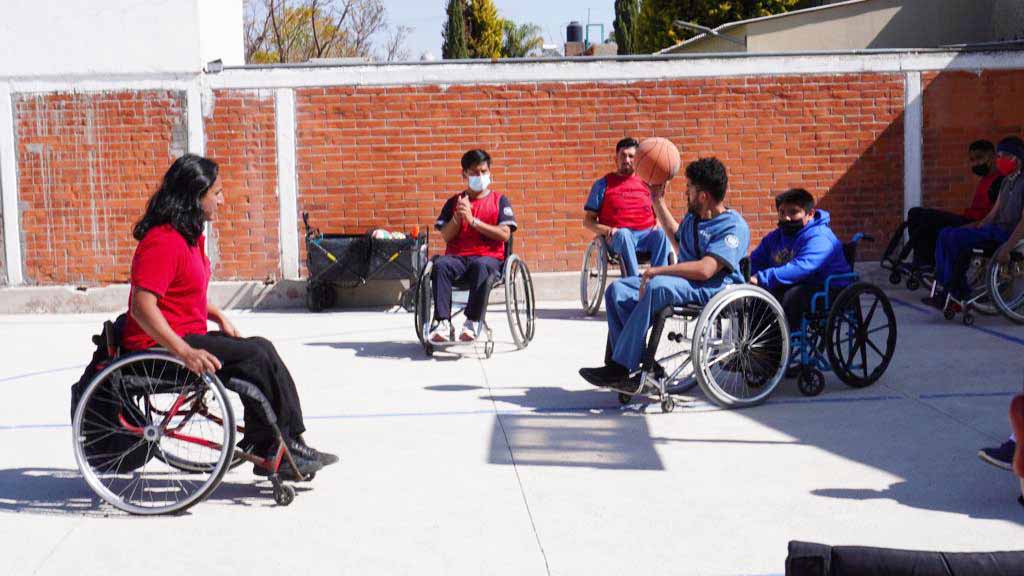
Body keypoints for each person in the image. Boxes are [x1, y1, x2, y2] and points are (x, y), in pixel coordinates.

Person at [121, 154, 337, 479]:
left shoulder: (188, 237)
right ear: (195, 196)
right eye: (217, 193)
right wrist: (184, 352)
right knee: (254, 356)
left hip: (185, 334)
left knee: (261, 348)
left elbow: (181, 293)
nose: (222, 200)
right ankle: (276, 446)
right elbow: (142, 306)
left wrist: (216, 315)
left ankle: (286, 443)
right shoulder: (163, 242)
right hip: (159, 347)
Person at [579, 157, 749, 391]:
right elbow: (678, 241)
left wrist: (657, 270)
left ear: (703, 196)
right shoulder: (694, 218)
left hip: (712, 287)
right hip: (687, 282)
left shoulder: (733, 226)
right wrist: (656, 201)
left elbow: (705, 270)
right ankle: (643, 366)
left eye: (689, 188)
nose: (686, 192)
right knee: (616, 290)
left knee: (657, 285)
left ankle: (619, 367)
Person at [925, 136, 1024, 309]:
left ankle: (956, 292)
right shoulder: (1006, 182)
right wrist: (967, 227)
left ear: (1016, 158)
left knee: (956, 240)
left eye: (1004, 156)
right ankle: (945, 286)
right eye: (998, 155)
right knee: (945, 233)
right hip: (993, 229)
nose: (999, 160)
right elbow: (991, 216)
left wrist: (1008, 247)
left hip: (1006, 234)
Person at [430, 149, 517, 343]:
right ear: (464, 174)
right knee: (440, 265)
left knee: (481, 266)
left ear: (489, 171)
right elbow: (446, 235)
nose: (480, 176)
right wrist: (458, 217)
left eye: (483, 172)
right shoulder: (454, 202)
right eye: (474, 173)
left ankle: (472, 321)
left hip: (488, 257)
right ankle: (443, 322)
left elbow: (505, 234)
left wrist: (473, 220)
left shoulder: (499, 201)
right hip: (458, 257)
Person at [749, 188, 851, 331]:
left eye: (793, 212)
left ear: (810, 214)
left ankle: (779, 343)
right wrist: (748, 276)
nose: (786, 218)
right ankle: (754, 343)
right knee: (758, 297)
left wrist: (762, 278)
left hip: (829, 289)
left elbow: (802, 268)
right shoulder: (776, 236)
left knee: (790, 297)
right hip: (798, 284)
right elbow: (757, 260)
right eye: (782, 212)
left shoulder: (820, 237)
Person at [583, 137, 672, 277]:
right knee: (624, 234)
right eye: (623, 156)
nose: (627, 160)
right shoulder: (602, 184)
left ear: (637, 160)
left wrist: (659, 224)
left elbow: (659, 211)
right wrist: (608, 230)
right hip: (618, 238)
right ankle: (633, 282)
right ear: (615, 159)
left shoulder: (647, 182)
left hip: (646, 235)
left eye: (631, 156)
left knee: (662, 234)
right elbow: (588, 221)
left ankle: (659, 282)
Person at [904, 140, 1001, 268]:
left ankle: (927, 263)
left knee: (923, 217)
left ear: (992, 156)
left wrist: (966, 227)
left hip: (975, 225)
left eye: (979, 158)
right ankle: (922, 261)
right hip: (968, 219)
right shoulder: (985, 179)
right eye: (972, 160)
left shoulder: (1000, 181)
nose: (976, 163)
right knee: (916, 214)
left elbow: (994, 217)